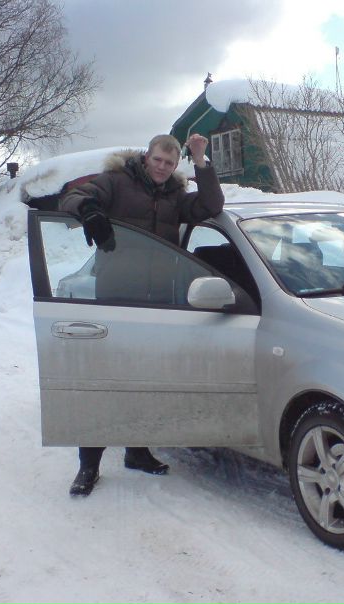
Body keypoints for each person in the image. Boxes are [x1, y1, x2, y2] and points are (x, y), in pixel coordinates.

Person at [59, 133, 225, 497]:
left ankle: (136, 451)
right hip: (117, 298)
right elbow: (72, 196)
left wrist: (201, 160)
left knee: (147, 378)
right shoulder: (116, 181)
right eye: (158, 160)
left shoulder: (175, 196)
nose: (162, 168)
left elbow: (212, 205)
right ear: (146, 157)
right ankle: (89, 464)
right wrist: (90, 212)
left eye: (170, 163)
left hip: (157, 301)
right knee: (107, 381)